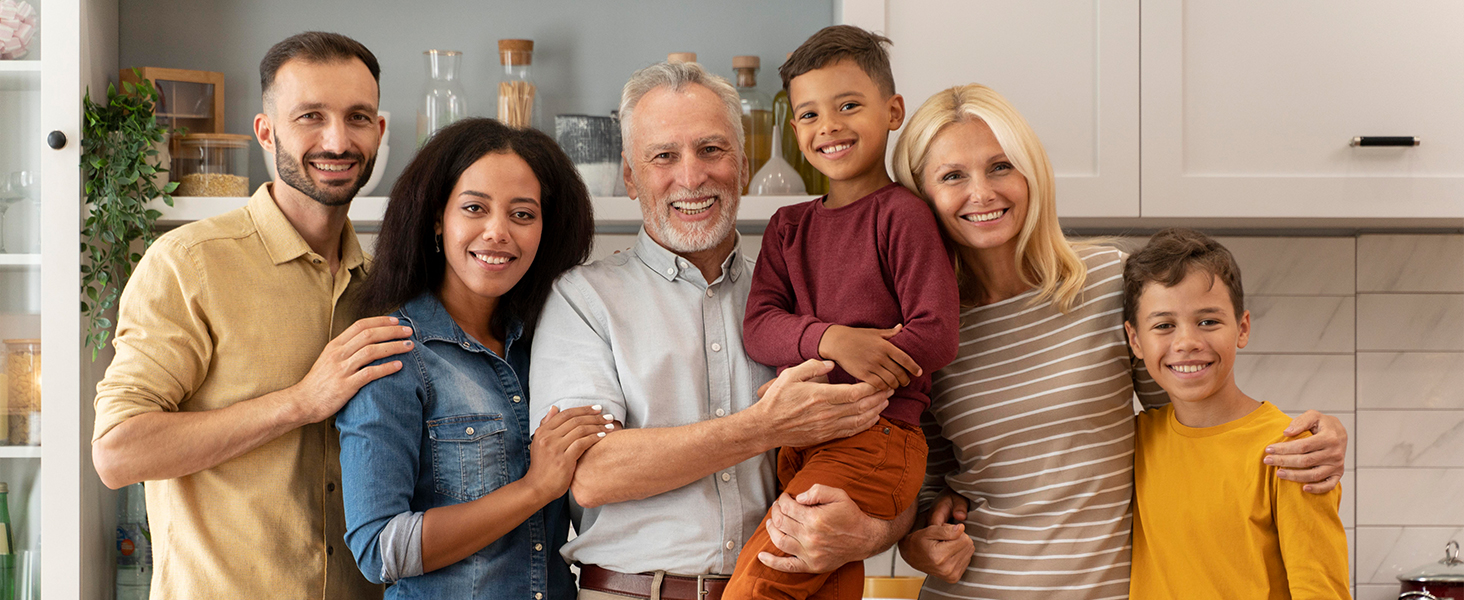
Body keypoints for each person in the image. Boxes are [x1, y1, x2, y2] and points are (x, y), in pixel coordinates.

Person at [868, 83, 1349, 599]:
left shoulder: (1106, 282)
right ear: (922, 196)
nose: (982, 193)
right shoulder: (925, 327)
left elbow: (1191, 423)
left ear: (1031, 171)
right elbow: (926, 482)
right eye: (952, 176)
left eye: (1001, 166)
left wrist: (1305, 436)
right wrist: (916, 542)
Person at [527, 61, 903, 600]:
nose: (691, 176)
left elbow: (892, 442)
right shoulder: (582, 299)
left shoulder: (806, 302)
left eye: (711, 149)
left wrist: (873, 533)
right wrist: (763, 427)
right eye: (663, 156)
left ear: (743, 165)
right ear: (631, 178)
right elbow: (591, 472)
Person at [91, 32, 410, 599]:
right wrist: (301, 401)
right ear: (266, 132)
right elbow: (119, 451)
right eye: (311, 116)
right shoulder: (190, 264)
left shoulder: (386, 286)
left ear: (378, 133)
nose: (337, 139)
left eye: (357, 117)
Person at [729, 25, 959, 600]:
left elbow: (936, 334)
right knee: (824, 586)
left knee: (759, 586)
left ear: (892, 111)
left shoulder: (904, 216)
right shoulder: (788, 227)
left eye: (848, 105)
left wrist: (867, 369)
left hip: (876, 436)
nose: (827, 126)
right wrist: (836, 340)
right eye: (808, 115)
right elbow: (759, 326)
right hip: (802, 442)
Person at [335, 118, 602, 599]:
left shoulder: (553, 345)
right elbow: (380, 549)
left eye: (523, 214)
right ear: (438, 219)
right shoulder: (394, 354)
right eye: (475, 208)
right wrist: (533, 489)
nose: (497, 232)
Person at [1123, 229, 1349, 598]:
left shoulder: (1292, 452)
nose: (1187, 343)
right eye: (1164, 325)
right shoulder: (1133, 441)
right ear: (1135, 341)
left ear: (1242, 328)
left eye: (1208, 321)